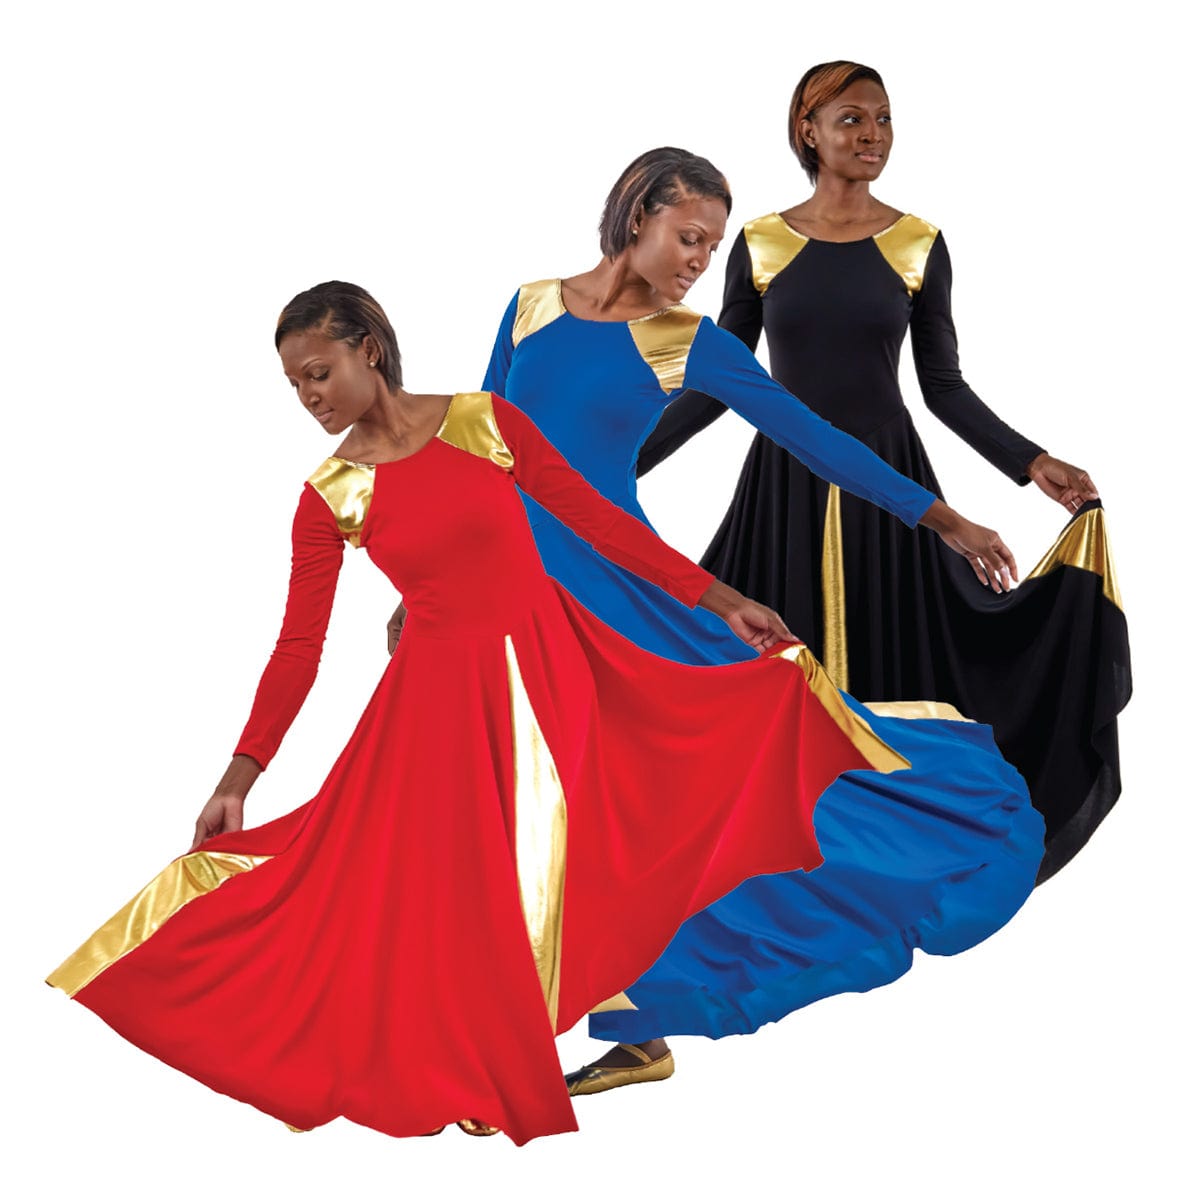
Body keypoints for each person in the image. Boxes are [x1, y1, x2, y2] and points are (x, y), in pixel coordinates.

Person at [48, 281, 950, 1145]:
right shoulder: (332, 495)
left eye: (318, 372)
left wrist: (722, 601)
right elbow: (298, 647)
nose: (308, 397)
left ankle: (599, 1033)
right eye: (294, 385)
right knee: (452, 888)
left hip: (559, 664)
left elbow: (600, 523)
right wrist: (239, 776)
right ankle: (480, 1063)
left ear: (369, 351)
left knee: (590, 842)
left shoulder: (484, 422)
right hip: (439, 710)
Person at [449, 146, 1044, 1095]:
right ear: (636, 214)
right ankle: (594, 1026)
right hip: (512, 600)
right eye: (688, 237)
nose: (700, 260)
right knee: (507, 808)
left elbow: (818, 438)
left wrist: (944, 520)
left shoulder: (686, 341)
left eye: (713, 244)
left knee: (608, 811)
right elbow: (482, 456)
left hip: (624, 609)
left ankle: (598, 1028)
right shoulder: (528, 308)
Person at [637, 63, 1130, 885]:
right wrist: (615, 464)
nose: (872, 136)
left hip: (892, 482)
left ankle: (882, 856)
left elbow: (943, 388)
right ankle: (779, 855)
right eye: (852, 119)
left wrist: (1030, 460)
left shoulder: (917, 244)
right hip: (784, 485)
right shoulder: (759, 243)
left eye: (884, 120)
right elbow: (720, 383)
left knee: (909, 663)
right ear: (808, 130)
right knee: (740, 662)